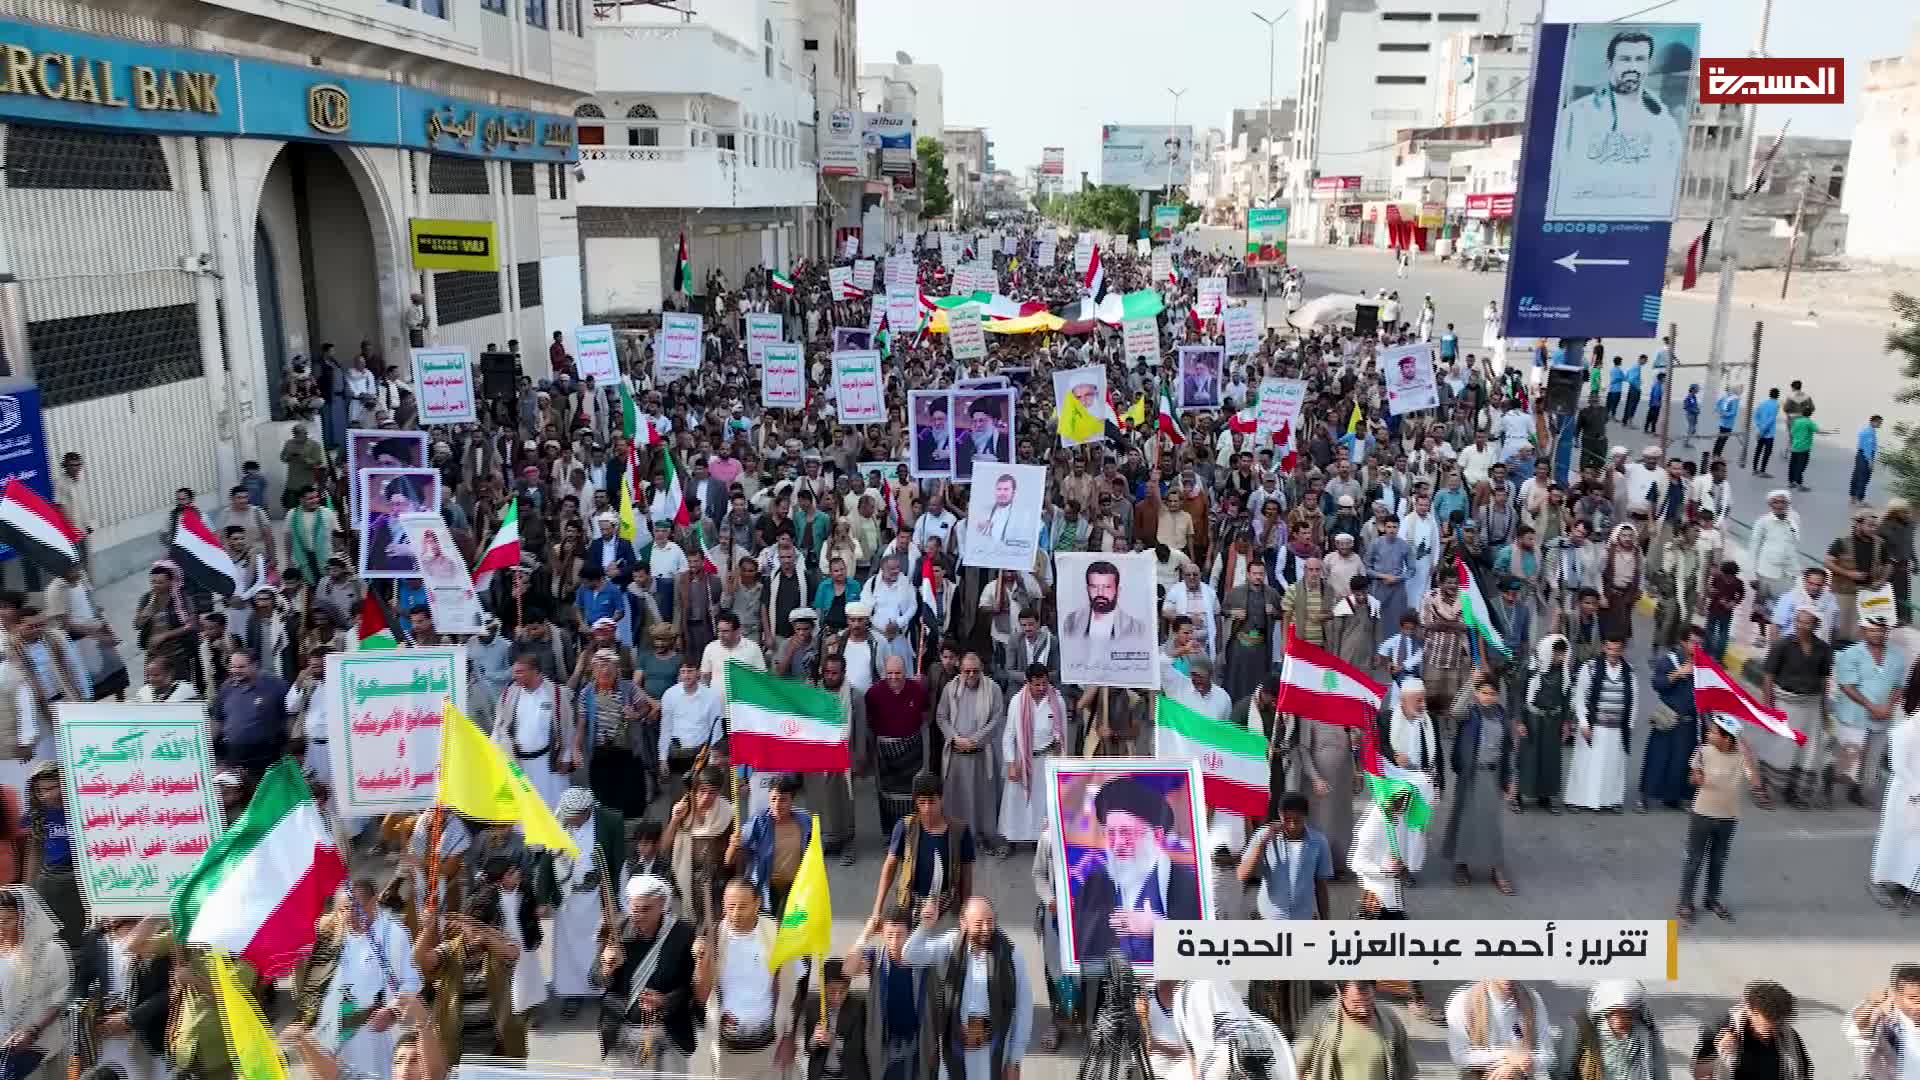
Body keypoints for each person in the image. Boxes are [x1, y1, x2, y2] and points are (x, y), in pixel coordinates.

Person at [1070, 774, 1205, 968]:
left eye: (1126, 833)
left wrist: (1158, 928)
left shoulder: (1187, 884)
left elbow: (1206, 950)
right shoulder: (1095, 884)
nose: (1118, 843)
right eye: (1111, 833)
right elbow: (1082, 944)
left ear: (1156, 836)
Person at [899, 895, 1032, 1080]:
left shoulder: (1010, 954)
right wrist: (925, 926)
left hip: (993, 1052)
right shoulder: (951, 944)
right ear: (963, 923)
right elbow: (910, 955)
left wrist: (1014, 1060)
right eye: (979, 924)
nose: (986, 929)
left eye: (990, 921)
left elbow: (1023, 1008)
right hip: (956, 1049)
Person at [1235, 792, 1332, 1039]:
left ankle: (1294, 1030)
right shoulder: (1264, 837)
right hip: (1270, 920)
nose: (1291, 825)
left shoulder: (1318, 842)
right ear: (1279, 816)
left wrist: (1326, 921)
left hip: (1301, 921)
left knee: (1294, 982)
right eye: (1286, 819)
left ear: (1306, 818)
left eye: (1296, 820)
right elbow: (1242, 874)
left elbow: (1321, 885)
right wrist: (1262, 843)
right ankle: (1265, 1029)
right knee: (1267, 981)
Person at [598, 874, 701, 1071]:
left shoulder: (683, 933)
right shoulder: (616, 929)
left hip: (667, 1032)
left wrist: (666, 1000)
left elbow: (692, 986)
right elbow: (595, 978)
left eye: (646, 909)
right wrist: (606, 966)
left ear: (662, 905)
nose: (638, 915)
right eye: (634, 909)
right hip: (622, 1030)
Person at [699, 879, 801, 1076]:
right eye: (731, 907)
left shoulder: (776, 933)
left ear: (757, 903)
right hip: (727, 1048)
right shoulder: (713, 937)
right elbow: (701, 995)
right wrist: (702, 962)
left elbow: (794, 988)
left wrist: (790, 1037)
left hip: (770, 1045)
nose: (736, 913)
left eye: (742, 906)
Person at [543, 787, 624, 1018]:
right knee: (569, 949)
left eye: (575, 817)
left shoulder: (611, 821)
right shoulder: (556, 823)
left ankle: (603, 988)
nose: (570, 821)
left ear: (588, 811)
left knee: (599, 943)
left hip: (598, 895)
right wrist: (542, 897)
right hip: (568, 898)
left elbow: (619, 862)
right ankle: (572, 993)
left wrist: (617, 899)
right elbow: (546, 863)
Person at [1442, 674, 1517, 894]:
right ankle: (1461, 863)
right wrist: (1470, 682)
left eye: (1492, 693)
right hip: (1470, 775)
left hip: (1492, 775)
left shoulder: (1502, 716)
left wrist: (1510, 779)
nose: (1488, 697)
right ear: (1476, 694)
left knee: (1491, 824)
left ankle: (1496, 867)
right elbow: (1455, 710)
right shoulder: (1470, 713)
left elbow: (1508, 750)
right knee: (1465, 819)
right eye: (1483, 692)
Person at [873, 771, 975, 920]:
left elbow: (966, 873)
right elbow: (890, 867)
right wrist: (877, 910)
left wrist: (966, 910)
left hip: (946, 903)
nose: (927, 808)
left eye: (932, 802)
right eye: (922, 802)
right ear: (916, 802)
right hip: (911, 903)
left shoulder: (960, 831)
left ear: (941, 799)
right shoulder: (905, 827)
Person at [1758, 608, 1833, 808]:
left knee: (1804, 751)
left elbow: (1824, 679)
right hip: (1785, 702)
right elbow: (1768, 675)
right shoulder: (1782, 645)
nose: (1801, 626)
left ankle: (1794, 792)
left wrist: (1824, 708)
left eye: (1807, 622)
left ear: (1815, 625)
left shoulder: (1823, 649)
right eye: (1798, 621)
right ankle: (1762, 788)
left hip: (1811, 705)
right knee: (1778, 747)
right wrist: (1768, 706)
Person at [1831, 612, 1907, 808]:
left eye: (1881, 630)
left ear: (1887, 631)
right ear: (1863, 631)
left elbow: (1899, 686)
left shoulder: (1898, 656)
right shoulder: (1850, 654)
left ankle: (1859, 792)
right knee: (1847, 760)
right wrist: (1871, 706)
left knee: (1872, 758)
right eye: (1872, 630)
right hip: (1854, 715)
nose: (1877, 634)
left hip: (1882, 716)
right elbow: (1847, 686)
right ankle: (1828, 785)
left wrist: (1888, 707)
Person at [935, 652, 1005, 855]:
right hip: (957, 755)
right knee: (957, 799)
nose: (971, 675)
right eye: (967, 671)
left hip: (981, 755)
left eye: (975, 671)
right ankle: (957, 838)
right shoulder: (950, 689)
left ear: (981, 669)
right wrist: (955, 738)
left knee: (982, 799)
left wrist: (975, 739)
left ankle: (983, 837)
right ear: (960, 670)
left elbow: (996, 719)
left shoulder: (993, 689)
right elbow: (941, 716)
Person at [495, 651, 583, 811]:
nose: (514, 676)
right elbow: (499, 728)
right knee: (522, 808)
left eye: (520, 672)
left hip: (548, 763)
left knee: (552, 808)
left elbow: (567, 728)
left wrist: (566, 757)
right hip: (517, 763)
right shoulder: (508, 695)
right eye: (514, 672)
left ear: (535, 671)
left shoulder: (556, 695)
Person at [1566, 636, 1635, 812]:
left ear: (1622, 650)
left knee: (1613, 765)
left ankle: (1610, 800)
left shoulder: (1629, 672)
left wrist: (1629, 726)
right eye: (1610, 649)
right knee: (1586, 764)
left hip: (1617, 728)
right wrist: (1583, 723)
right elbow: (1580, 697)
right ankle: (1577, 799)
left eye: (1617, 650)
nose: (1613, 653)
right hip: (1594, 726)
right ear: (1604, 648)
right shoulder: (1589, 668)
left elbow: (1633, 701)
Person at [1000, 663, 1065, 850]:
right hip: (1022, 758)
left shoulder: (1057, 700)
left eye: (1044, 683)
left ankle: (1040, 841)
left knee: (1043, 803)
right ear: (1027, 683)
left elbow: (1062, 734)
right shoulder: (1016, 701)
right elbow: (1009, 735)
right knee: (1016, 803)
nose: (1041, 688)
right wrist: (1011, 763)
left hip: (1046, 758)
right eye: (1037, 684)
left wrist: (1061, 759)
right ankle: (1011, 840)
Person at [1870, 665, 1920, 907]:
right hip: (1906, 794)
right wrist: (1917, 791)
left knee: (1915, 843)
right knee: (1895, 837)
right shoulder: (1905, 731)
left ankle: (1909, 882)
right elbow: (1899, 767)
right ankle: (1878, 880)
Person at [1296, 982, 1416, 1080]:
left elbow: (1406, 1069)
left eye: (1368, 1002)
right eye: (1356, 1003)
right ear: (1339, 992)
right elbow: (1296, 1067)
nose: (1364, 1010)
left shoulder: (1389, 1019)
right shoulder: (1318, 1021)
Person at [1641, 626, 1704, 812]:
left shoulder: (1704, 665)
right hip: (1668, 719)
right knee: (1657, 760)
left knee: (1682, 762)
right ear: (1682, 642)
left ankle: (1674, 798)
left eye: (1700, 643)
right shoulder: (1670, 660)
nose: (1697, 646)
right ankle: (1645, 797)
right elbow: (1657, 683)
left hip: (1689, 722)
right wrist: (1677, 674)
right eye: (1693, 642)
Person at [1694, 980, 1811, 1080]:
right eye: (1766, 1027)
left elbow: (1803, 1072)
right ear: (1750, 1009)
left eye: (1777, 1025)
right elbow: (1700, 1075)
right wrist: (1718, 1051)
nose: (1772, 1033)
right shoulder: (1720, 1027)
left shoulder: (1789, 1035)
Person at [1553, 981, 1669, 1080]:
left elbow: (1660, 1073)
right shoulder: (1581, 1028)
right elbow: (1561, 1072)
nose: (1621, 1019)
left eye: (1627, 1013)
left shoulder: (1646, 1034)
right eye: (1614, 1012)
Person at [1444, 980, 1557, 1080]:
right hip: (1480, 1074)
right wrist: (1507, 1055)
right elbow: (1460, 1057)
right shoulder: (1463, 1001)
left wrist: (1525, 1063)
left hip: (1521, 1074)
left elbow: (1548, 1055)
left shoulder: (1532, 999)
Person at [1062, 559, 1153, 677]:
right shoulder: (1072, 622)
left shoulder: (1135, 627)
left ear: (1117, 590)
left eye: (1107, 587)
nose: (1100, 593)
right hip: (1080, 679)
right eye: (1094, 587)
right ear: (1087, 589)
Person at [1517, 635, 1573, 812]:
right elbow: (1519, 695)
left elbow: (1566, 697)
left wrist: (1566, 722)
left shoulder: (1564, 671)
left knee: (1550, 760)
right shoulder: (1531, 667)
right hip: (1532, 720)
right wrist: (1520, 721)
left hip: (1553, 721)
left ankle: (1545, 795)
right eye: (1557, 653)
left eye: (1563, 653)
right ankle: (1518, 796)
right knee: (1528, 759)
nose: (1560, 657)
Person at [1847, 964, 1920, 1080]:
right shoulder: (1883, 1020)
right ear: (1896, 996)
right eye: (1913, 998)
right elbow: (1861, 1026)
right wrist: (1871, 1005)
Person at [1853, 415, 1884, 504]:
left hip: (1860, 454)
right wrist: (1870, 461)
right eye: (1879, 422)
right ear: (1873, 422)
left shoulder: (1865, 430)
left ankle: (1853, 497)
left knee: (1856, 476)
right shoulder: (1870, 432)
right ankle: (1860, 500)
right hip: (1865, 456)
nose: (1880, 424)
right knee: (1864, 478)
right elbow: (1868, 447)